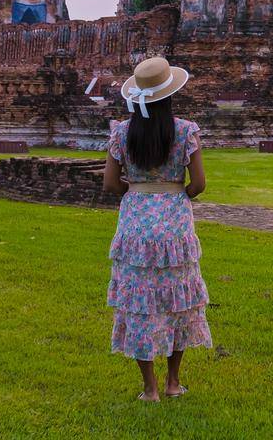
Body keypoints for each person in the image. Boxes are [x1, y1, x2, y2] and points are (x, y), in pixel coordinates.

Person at [102, 56, 211, 401]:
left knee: (141, 303)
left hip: (135, 221)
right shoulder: (184, 130)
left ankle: (149, 388)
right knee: (178, 300)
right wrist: (179, 195)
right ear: (169, 93)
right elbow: (199, 183)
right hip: (175, 224)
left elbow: (109, 184)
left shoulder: (122, 132)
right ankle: (173, 383)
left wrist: (135, 193)